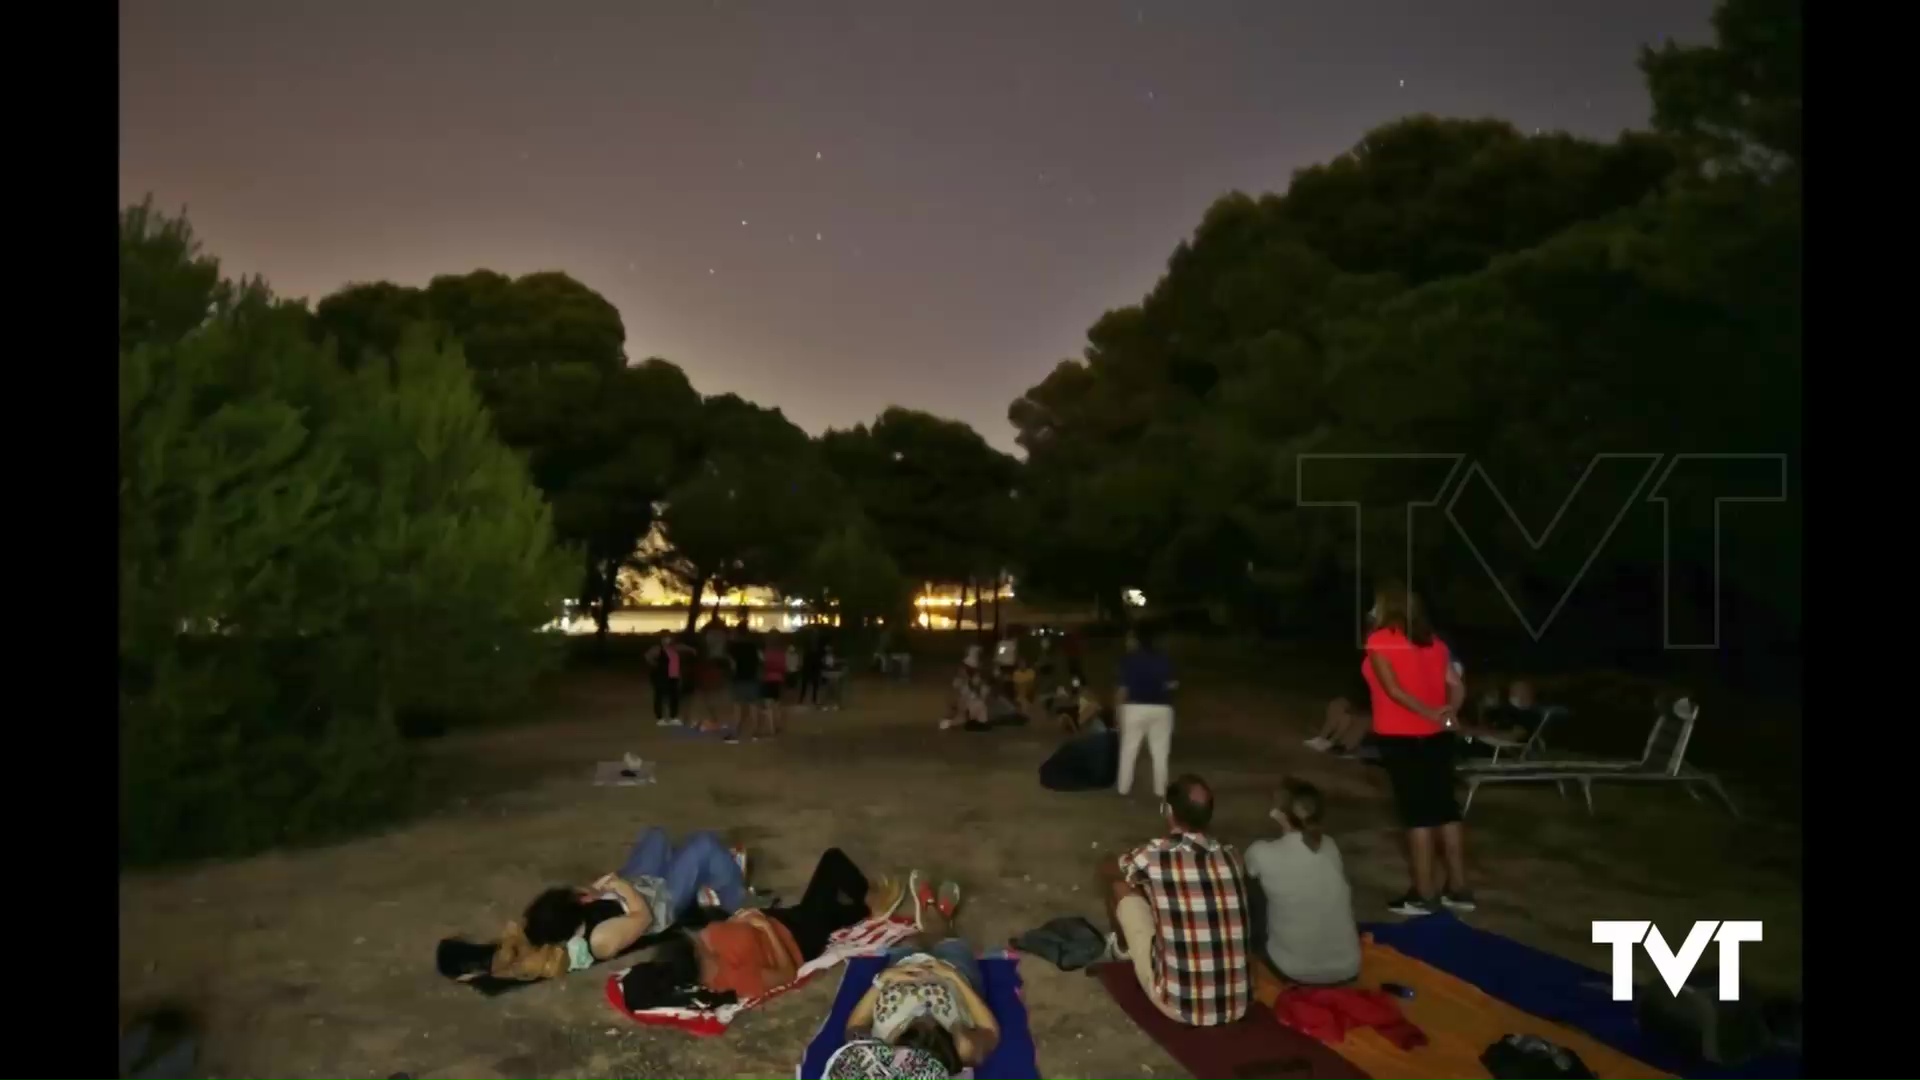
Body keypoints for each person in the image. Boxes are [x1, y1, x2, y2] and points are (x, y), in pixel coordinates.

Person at [619, 849, 904, 1006]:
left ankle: (862, 908)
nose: (699, 944)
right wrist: (765, 929)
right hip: (799, 938)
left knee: (830, 909)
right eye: (697, 949)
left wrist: (744, 919)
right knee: (832, 863)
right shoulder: (735, 981)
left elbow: (725, 929)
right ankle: (869, 903)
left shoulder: (705, 944)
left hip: (780, 918)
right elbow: (787, 973)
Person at [1098, 774, 1251, 1026]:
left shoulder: (1154, 855)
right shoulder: (1232, 856)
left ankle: (1123, 950)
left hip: (1178, 1005)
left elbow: (1110, 869)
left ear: (1167, 811)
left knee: (1118, 883)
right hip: (1238, 1005)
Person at [1362, 579, 1473, 916]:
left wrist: (1428, 712)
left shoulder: (1380, 641)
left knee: (1418, 815)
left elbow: (1393, 690)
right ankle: (1459, 888)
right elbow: (1456, 685)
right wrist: (1449, 712)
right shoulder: (1434, 643)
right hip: (1438, 735)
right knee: (1445, 810)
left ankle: (1424, 893)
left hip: (1401, 737)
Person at [515, 827, 749, 975]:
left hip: (637, 884)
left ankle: (697, 877)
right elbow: (642, 917)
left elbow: (586, 898)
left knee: (655, 836)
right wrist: (621, 886)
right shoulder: (601, 939)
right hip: (660, 902)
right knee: (704, 844)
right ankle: (732, 895)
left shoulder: (574, 918)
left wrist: (598, 891)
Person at [837, 875, 996, 1077]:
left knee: (909, 942)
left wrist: (882, 980)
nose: (922, 1012)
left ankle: (927, 919)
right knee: (948, 939)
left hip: (901, 970)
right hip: (953, 974)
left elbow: (855, 1024)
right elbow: (989, 1030)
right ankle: (941, 917)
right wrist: (953, 977)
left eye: (915, 1024)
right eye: (930, 1024)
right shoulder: (962, 1050)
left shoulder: (874, 1054)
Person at [1244, 779, 1361, 986]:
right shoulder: (1330, 845)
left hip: (1294, 970)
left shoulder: (1261, 852)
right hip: (1349, 968)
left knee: (1250, 884)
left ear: (1277, 813)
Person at [1115, 626, 1178, 799]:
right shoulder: (1164, 659)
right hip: (1162, 708)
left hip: (1134, 707)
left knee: (1129, 750)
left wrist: (1118, 711)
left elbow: (1123, 689)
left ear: (1136, 640)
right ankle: (1160, 789)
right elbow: (1172, 685)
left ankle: (1123, 788)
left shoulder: (1128, 660)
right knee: (1160, 753)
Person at [725, 624, 764, 744]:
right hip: (752, 678)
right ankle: (755, 733)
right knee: (753, 707)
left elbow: (732, 664)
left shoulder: (733, 648)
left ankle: (735, 734)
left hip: (739, 679)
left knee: (737, 708)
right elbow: (761, 661)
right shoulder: (754, 647)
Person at [644, 631, 689, 727]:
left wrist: (692, 650)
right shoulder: (657, 649)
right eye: (665, 638)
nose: (667, 640)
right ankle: (660, 718)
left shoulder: (674, 648)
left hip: (674, 676)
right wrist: (655, 664)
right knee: (660, 696)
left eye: (669, 638)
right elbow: (647, 656)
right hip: (661, 676)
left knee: (674, 697)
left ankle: (673, 717)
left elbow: (684, 648)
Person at [760, 629, 790, 736]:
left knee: (768, 706)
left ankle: (771, 728)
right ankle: (778, 726)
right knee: (777, 704)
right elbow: (784, 668)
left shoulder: (766, 652)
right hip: (779, 679)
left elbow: (763, 667)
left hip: (767, 679)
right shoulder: (781, 653)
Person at [798, 632, 827, 708]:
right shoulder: (814, 646)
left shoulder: (814, 646)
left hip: (812, 665)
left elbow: (820, 657)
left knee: (811, 683)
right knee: (810, 683)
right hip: (811, 665)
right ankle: (806, 698)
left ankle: (805, 698)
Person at [820, 643, 847, 710]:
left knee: (834, 690)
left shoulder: (833, 657)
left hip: (834, 674)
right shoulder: (825, 657)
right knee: (829, 690)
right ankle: (827, 705)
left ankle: (835, 705)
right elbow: (826, 665)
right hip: (830, 675)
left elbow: (839, 663)